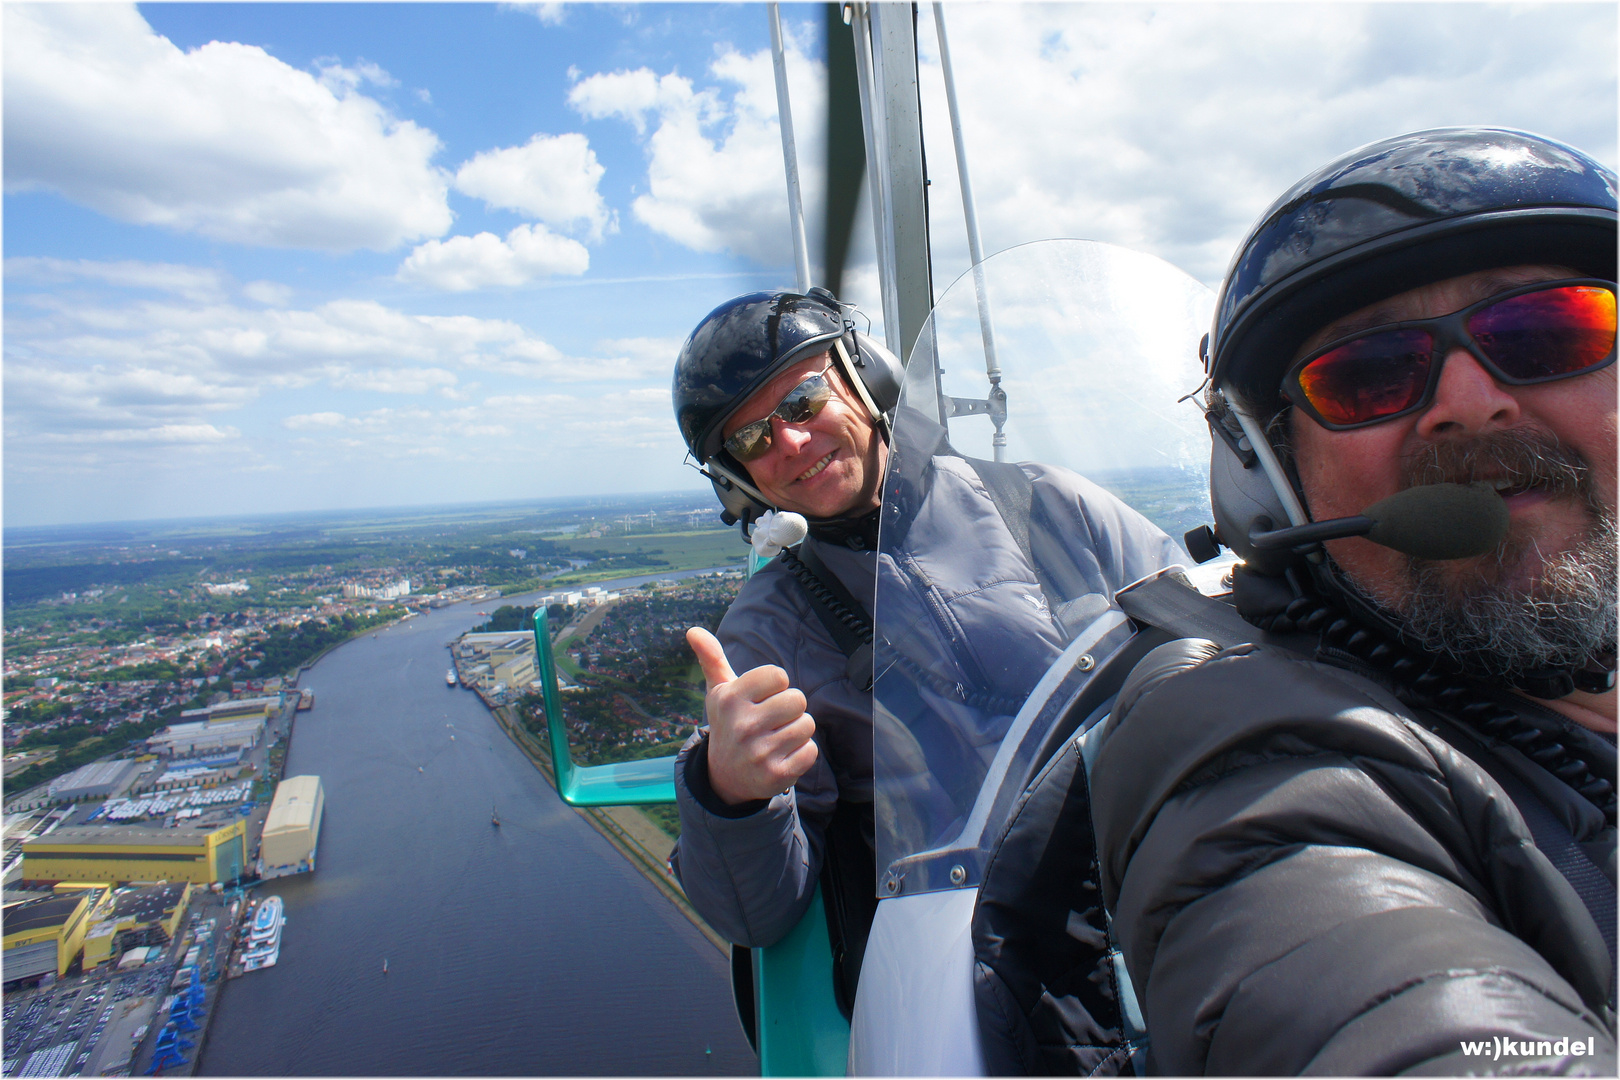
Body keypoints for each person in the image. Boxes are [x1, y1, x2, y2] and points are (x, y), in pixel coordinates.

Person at [1090, 127, 1617, 1074]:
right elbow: (1378, 998)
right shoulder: (1252, 751)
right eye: (1369, 373)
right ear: (1270, 478)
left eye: (1550, 330)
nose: (1469, 399)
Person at [668, 287, 1183, 1002]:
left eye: (802, 401)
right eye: (751, 439)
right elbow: (759, 914)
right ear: (738, 478)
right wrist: (729, 795)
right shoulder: (766, 632)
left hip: (1165, 863)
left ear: (866, 376)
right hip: (994, 962)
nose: (787, 442)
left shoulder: (1043, 503)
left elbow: (1205, 645)